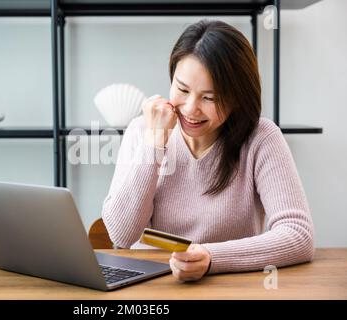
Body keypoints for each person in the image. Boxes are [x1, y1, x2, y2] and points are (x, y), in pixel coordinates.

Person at [101, 20, 314, 282]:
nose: (191, 109)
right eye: (182, 89)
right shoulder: (142, 129)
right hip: (151, 286)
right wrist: (155, 143)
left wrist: (211, 257)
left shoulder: (261, 138)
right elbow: (122, 235)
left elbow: (298, 234)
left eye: (209, 97)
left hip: (231, 286)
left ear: (237, 97)